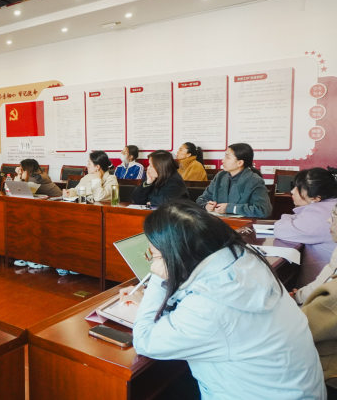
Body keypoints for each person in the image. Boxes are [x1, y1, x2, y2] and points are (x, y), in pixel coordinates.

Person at [132, 200, 326, 400]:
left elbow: (145, 340)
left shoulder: (208, 308)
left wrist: (159, 280)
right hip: (297, 390)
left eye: (155, 256)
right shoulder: (245, 260)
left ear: (179, 255)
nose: (153, 265)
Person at [274, 168, 337, 288]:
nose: (292, 191)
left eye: (298, 188)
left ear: (316, 198)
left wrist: (286, 217)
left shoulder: (319, 213)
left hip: (320, 291)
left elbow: (280, 229)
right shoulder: (332, 205)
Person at [301, 205, 337, 386]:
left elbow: (301, 330)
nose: (328, 220)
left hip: (326, 372)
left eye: (334, 215)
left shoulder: (332, 298)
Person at [196, 143, 272, 218]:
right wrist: (206, 205)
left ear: (240, 163)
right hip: (218, 222)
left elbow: (263, 210)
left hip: (242, 224)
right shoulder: (220, 176)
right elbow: (201, 199)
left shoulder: (254, 181)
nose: (223, 160)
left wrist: (232, 208)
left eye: (227, 157)